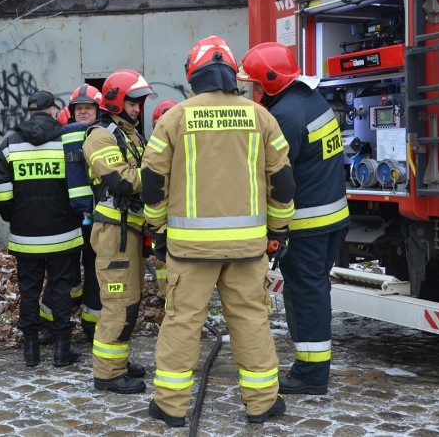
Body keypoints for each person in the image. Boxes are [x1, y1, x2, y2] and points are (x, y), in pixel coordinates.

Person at [141, 36, 295, 427]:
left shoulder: (173, 118)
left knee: (182, 322)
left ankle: (171, 407)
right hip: (247, 248)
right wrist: (278, 228)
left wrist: (158, 229)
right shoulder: (261, 117)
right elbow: (283, 181)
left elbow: (152, 182)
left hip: (189, 251)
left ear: (193, 75)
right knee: (251, 321)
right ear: (233, 76)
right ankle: (262, 403)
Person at [237, 41, 349, 395]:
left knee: (306, 295)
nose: (253, 92)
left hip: (306, 224)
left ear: (269, 83)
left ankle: (311, 375)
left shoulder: (284, 116)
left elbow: (274, 177)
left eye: (254, 85)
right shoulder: (311, 100)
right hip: (331, 217)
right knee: (313, 290)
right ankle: (311, 367)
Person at [0, 90, 85, 368]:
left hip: (25, 236)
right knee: (60, 290)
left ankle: (31, 351)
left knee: (29, 292)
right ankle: (61, 350)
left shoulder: (9, 145)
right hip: (64, 235)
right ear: (54, 110)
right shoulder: (67, 143)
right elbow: (79, 188)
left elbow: (1, 196)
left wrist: (17, 218)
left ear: (29, 112)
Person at [82, 69, 155, 394]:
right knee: (118, 300)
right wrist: (159, 176)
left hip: (131, 230)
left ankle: (118, 362)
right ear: (115, 100)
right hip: (115, 232)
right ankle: (108, 374)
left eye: (139, 103)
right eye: (132, 102)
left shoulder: (131, 135)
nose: (138, 109)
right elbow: (122, 180)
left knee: (130, 299)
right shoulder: (100, 136)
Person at [38, 85, 103, 344]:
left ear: (98, 110)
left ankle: (92, 324)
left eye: (89, 107)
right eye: (79, 107)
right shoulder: (60, 137)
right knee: (64, 273)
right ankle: (50, 322)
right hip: (68, 217)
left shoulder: (108, 135)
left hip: (99, 215)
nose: (84, 111)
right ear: (72, 111)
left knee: (95, 270)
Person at [148, 99, 177, 308]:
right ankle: (164, 293)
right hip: (163, 212)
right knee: (160, 260)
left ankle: (175, 296)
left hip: (178, 212)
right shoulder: (155, 148)